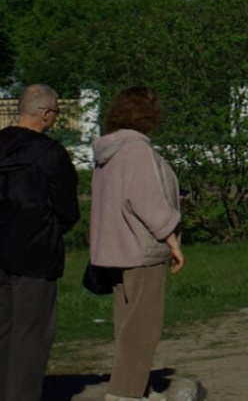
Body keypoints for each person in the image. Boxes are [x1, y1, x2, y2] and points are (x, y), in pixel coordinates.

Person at [0, 83, 80, 401]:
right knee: (31, 333)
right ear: (47, 113)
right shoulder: (51, 154)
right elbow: (67, 209)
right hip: (37, 252)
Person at [90, 86, 189, 401]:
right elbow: (145, 201)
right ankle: (124, 393)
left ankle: (140, 388)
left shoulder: (109, 151)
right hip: (140, 249)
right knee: (143, 328)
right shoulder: (136, 149)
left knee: (127, 325)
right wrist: (171, 239)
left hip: (113, 250)